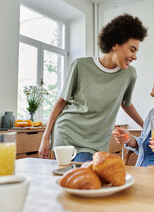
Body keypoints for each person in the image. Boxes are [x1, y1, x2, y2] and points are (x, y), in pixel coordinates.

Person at [39, 14, 148, 162]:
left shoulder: (129, 74)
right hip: (67, 133)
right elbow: (61, 101)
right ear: (115, 44)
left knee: (85, 180)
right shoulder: (80, 65)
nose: (134, 56)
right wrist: (45, 137)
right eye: (132, 49)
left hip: (95, 143)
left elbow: (125, 103)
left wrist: (147, 127)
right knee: (77, 180)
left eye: (136, 52)